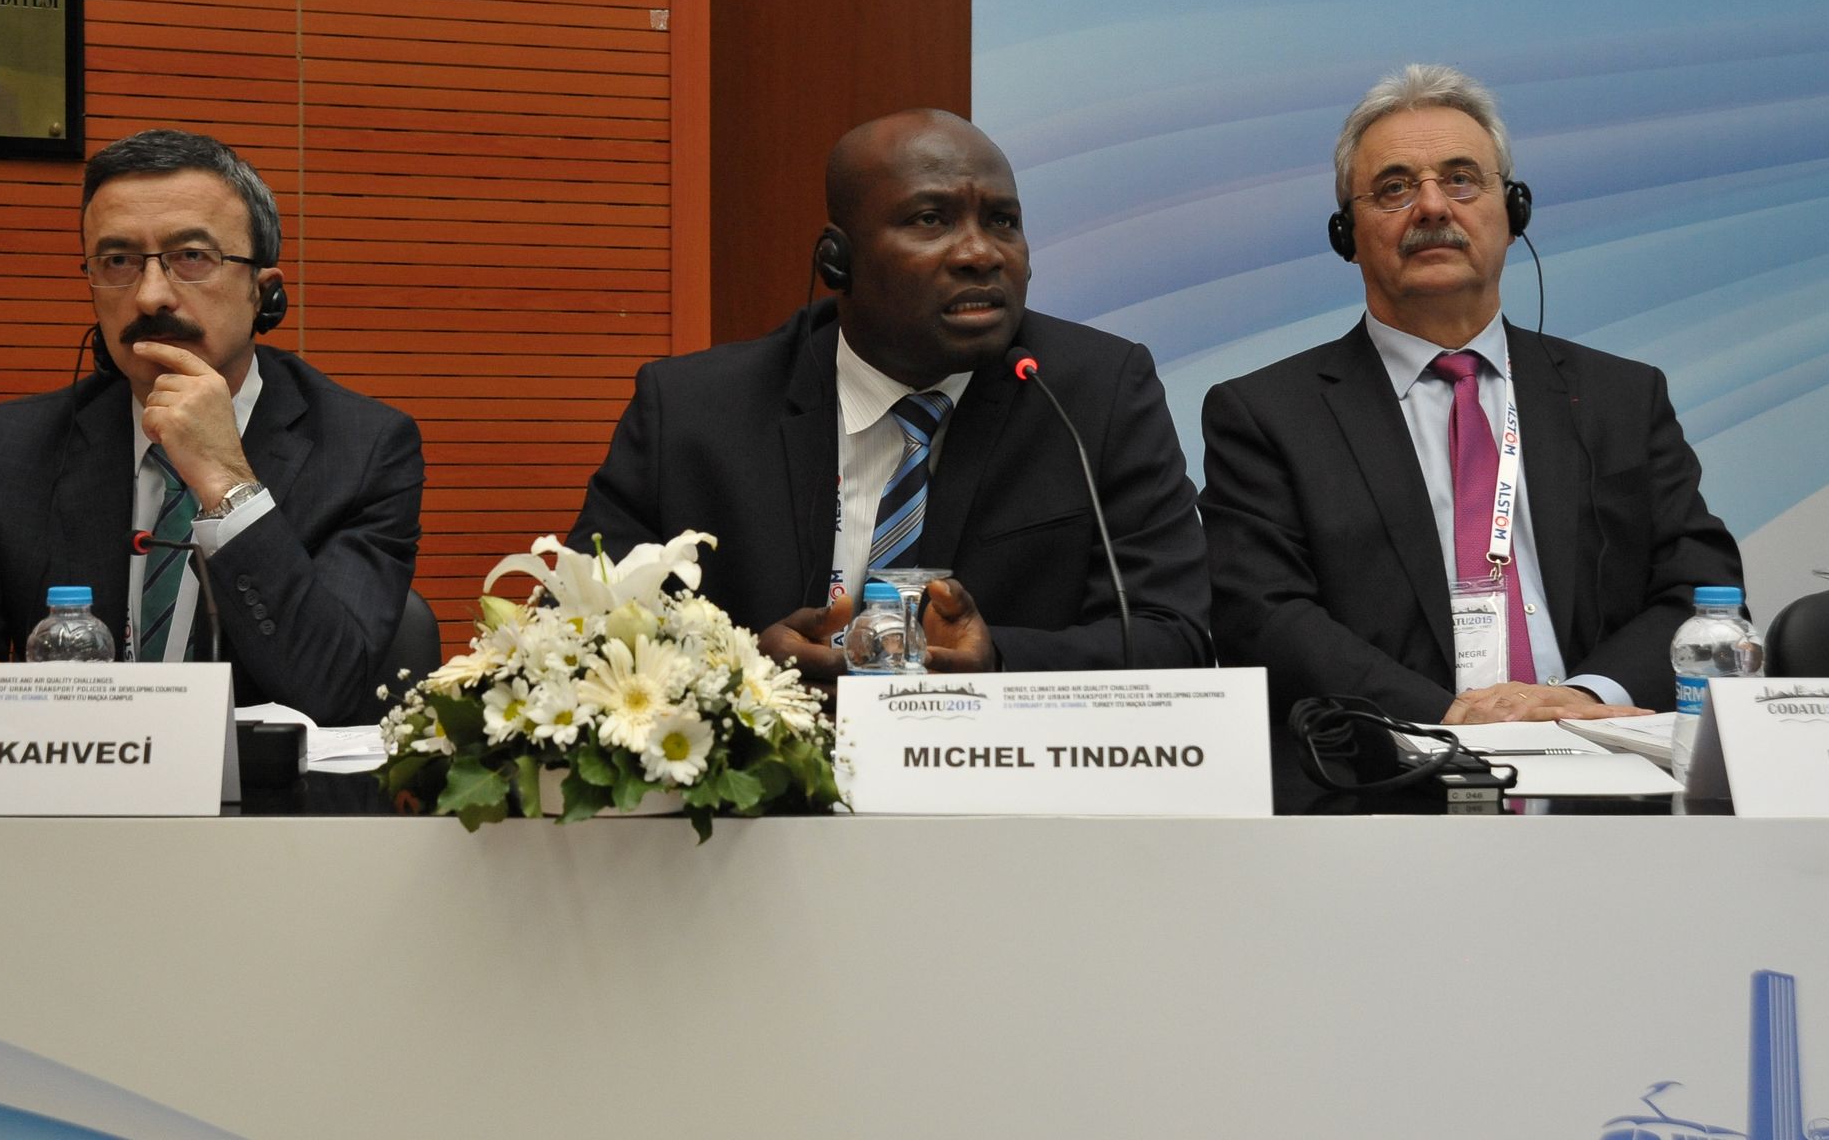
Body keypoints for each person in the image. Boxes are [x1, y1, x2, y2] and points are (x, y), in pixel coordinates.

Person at [571, 108, 1210, 689]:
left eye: (1002, 222)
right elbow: (577, 635)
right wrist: (746, 674)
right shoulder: (695, 411)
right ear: (837, 261)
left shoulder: (1094, 393)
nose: (980, 253)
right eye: (931, 220)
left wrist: (997, 662)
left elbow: (1173, 635)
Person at [1199, 65, 1742, 725]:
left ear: (1513, 214)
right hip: (1393, 765)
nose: (1432, 207)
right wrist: (1452, 720)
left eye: (1460, 179)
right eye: (1394, 188)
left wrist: (1589, 697)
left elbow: (1703, 594)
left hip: (1605, 754)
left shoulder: (1622, 398)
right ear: (1347, 237)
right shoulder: (1268, 417)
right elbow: (1262, 619)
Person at [0, 129, 423, 725]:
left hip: (261, 785)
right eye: (118, 261)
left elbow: (333, 692)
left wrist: (226, 482)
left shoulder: (363, 449)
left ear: (264, 293)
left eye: (191, 257)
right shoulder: (13, 447)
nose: (151, 297)